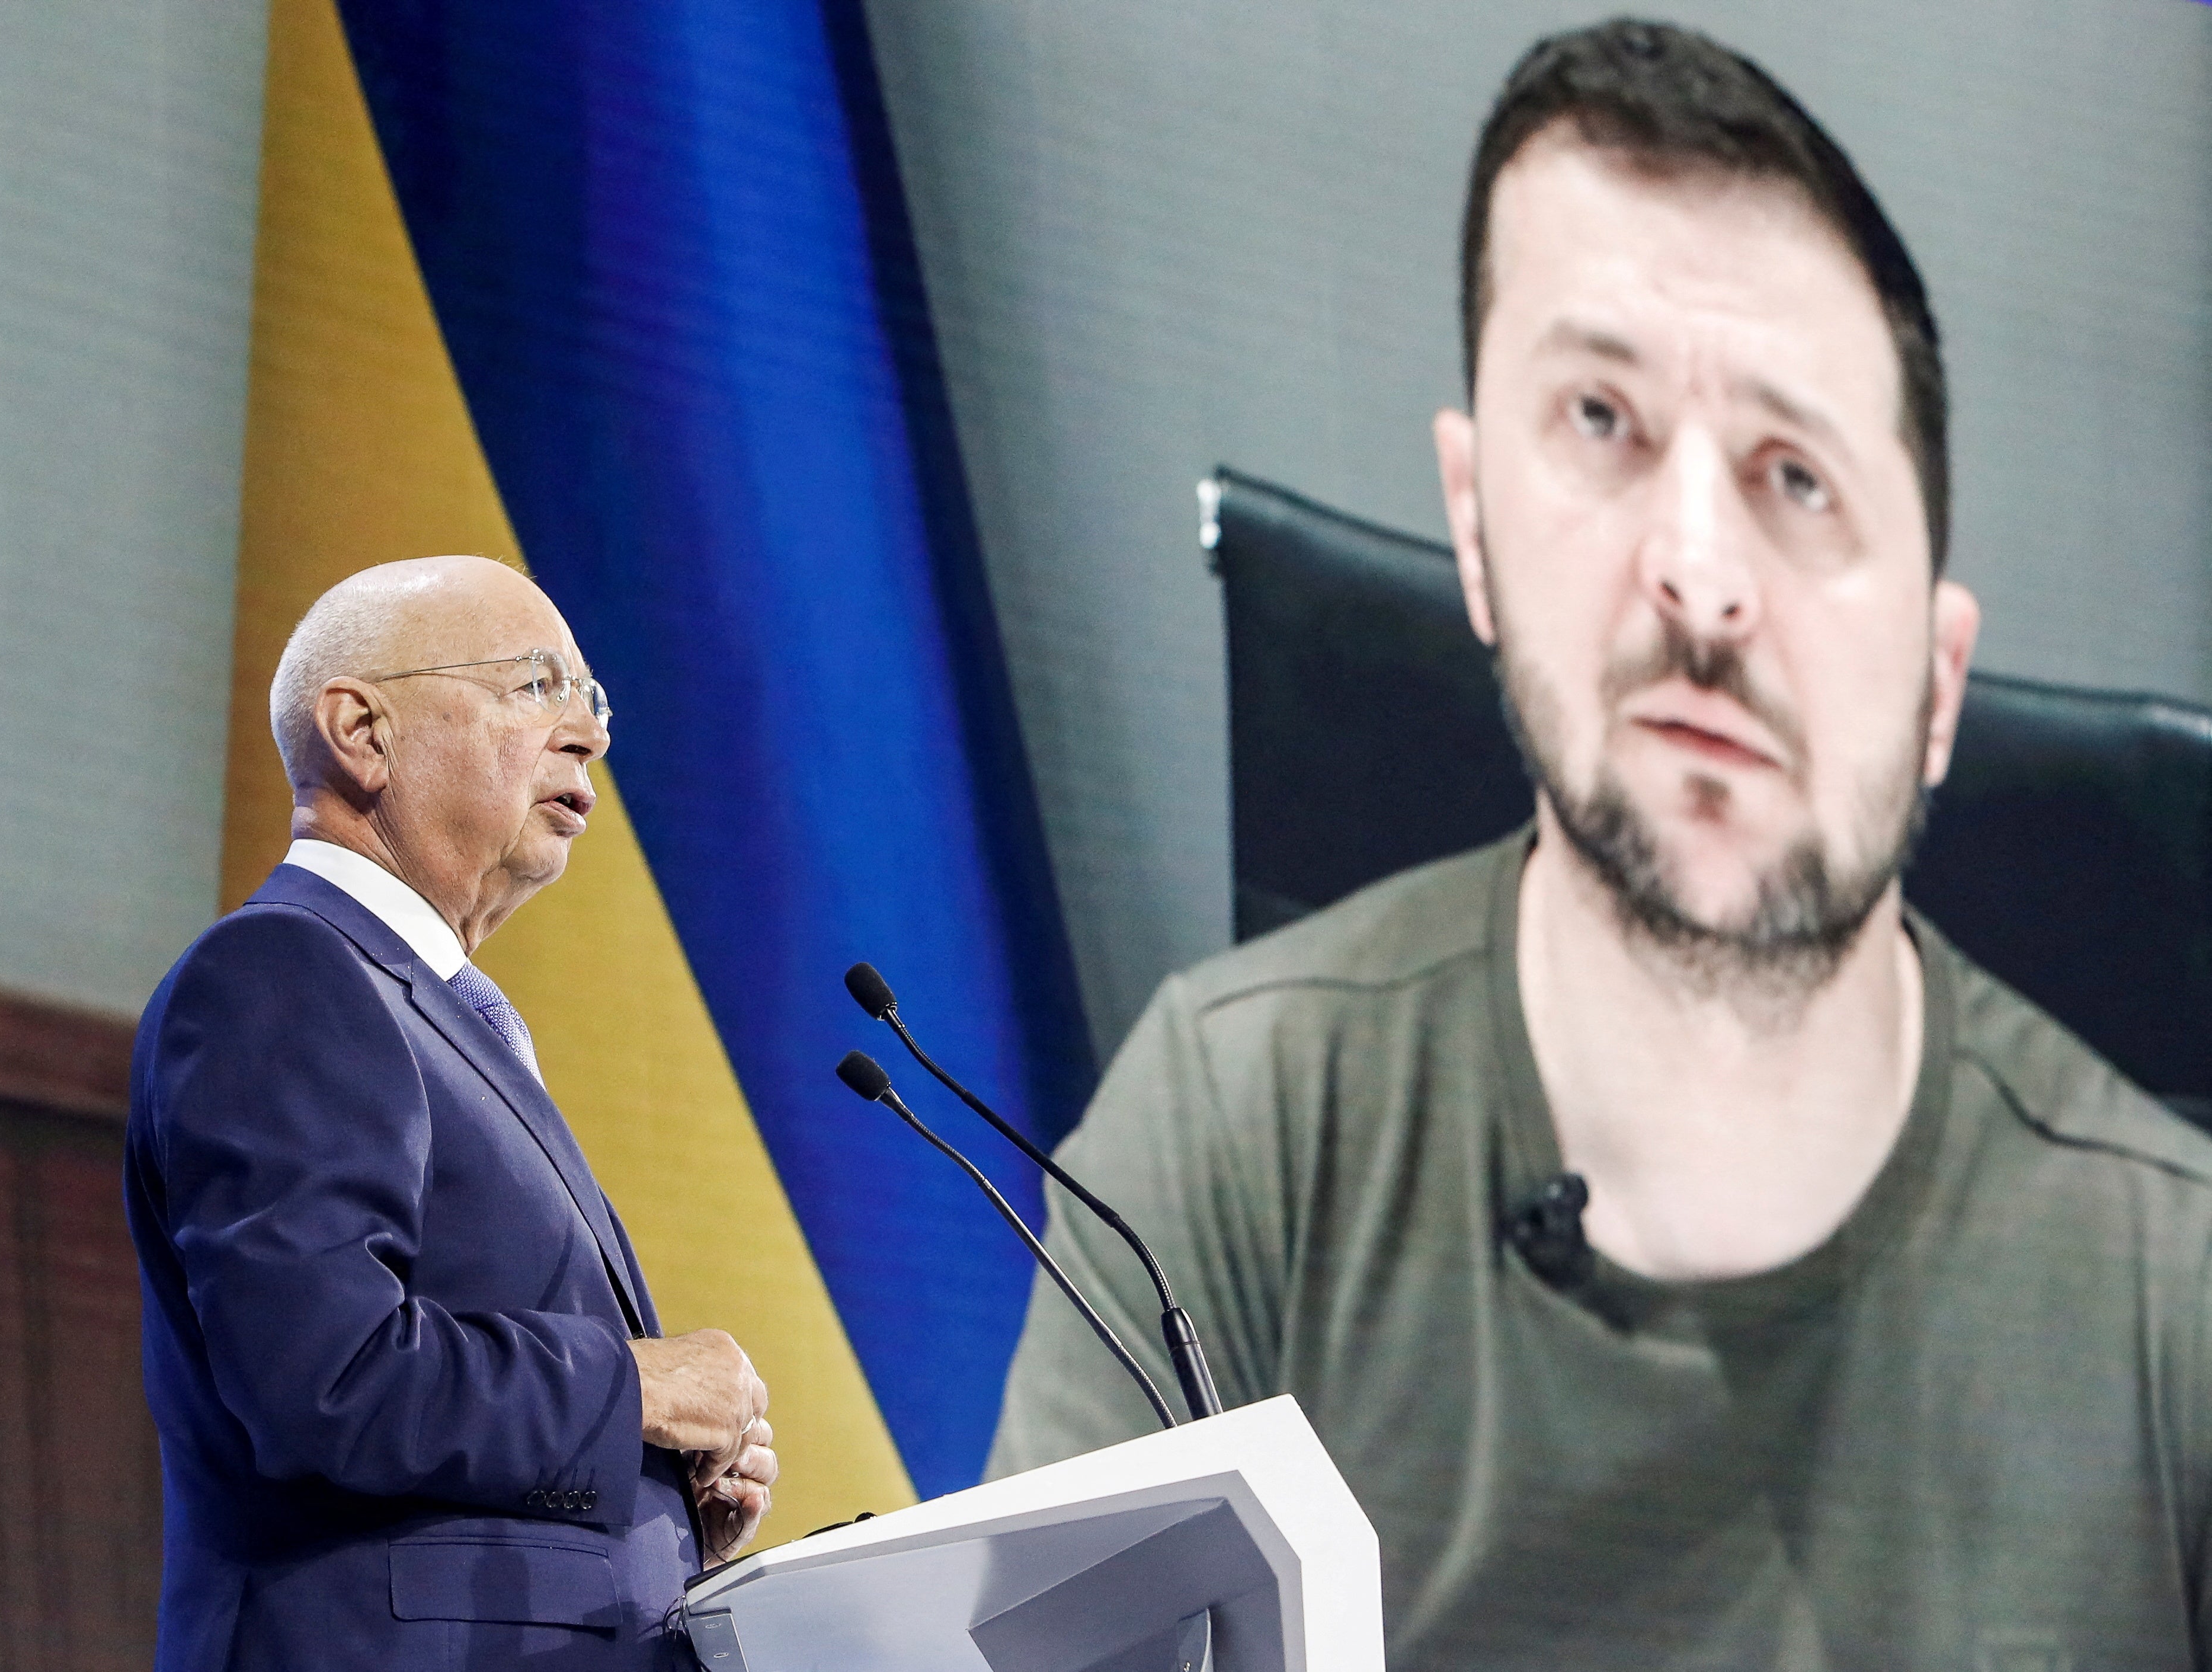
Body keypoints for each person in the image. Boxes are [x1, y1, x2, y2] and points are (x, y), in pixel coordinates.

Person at [988, 20, 2212, 1669]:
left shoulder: (2177, 1305)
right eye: (1600, 419)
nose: (1698, 573)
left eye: (1794, 475)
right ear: (1474, 522)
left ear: (1935, 678)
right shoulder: (1230, 1136)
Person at [126, 555, 778, 1671]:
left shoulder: (434, 1016)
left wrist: (654, 1508)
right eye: (536, 685)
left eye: (595, 700)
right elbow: (328, 1378)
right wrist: (641, 1390)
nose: (589, 734)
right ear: (361, 730)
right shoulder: (286, 971)